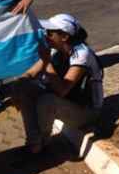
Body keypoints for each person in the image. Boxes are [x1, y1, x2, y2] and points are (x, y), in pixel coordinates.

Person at [11, 14, 103, 154]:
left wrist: (47, 62)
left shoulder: (82, 55)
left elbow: (62, 90)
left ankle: (41, 145)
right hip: (67, 103)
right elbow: (31, 73)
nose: (45, 36)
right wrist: (18, 85)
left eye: (50, 33)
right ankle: (34, 144)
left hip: (87, 111)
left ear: (64, 37)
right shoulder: (56, 50)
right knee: (24, 88)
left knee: (47, 101)